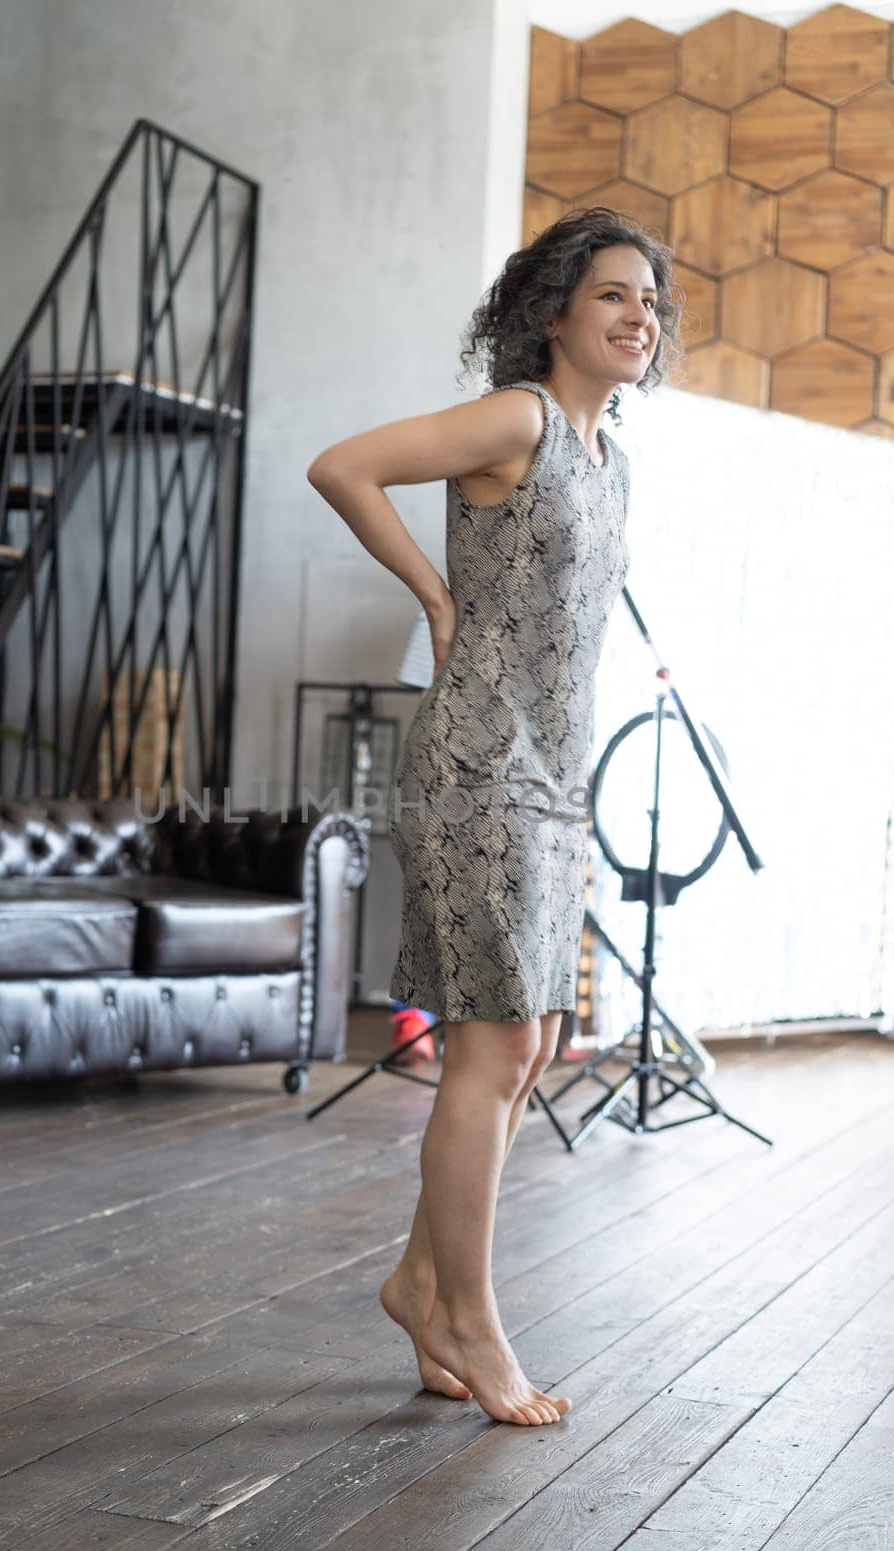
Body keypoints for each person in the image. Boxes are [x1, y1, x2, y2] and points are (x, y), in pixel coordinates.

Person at [307, 208, 683, 1426]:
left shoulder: (608, 457)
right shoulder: (516, 417)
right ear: (558, 310)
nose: (641, 319)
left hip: (550, 779)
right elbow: (342, 465)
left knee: (522, 1049)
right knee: (488, 1048)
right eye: (617, 296)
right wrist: (431, 592)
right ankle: (468, 1316)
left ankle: (422, 1284)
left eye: (653, 304)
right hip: (479, 763)